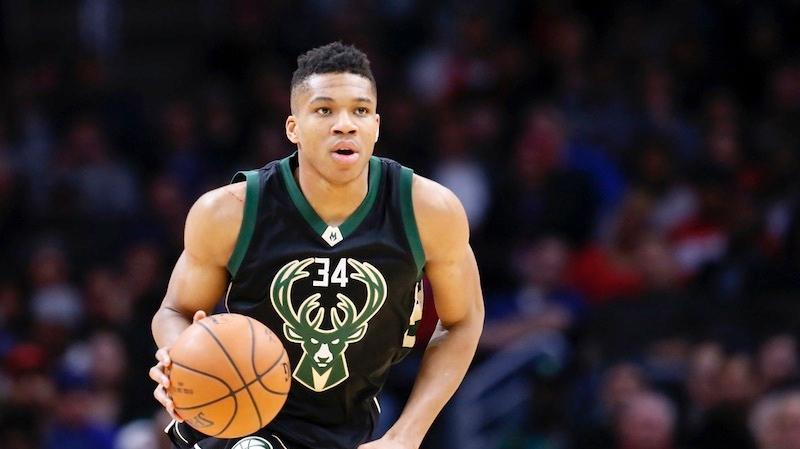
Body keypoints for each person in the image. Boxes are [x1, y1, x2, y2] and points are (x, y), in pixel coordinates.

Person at [148, 42, 484, 449]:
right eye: (324, 110)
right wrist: (181, 360)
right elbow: (175, 310)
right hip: (239, 424)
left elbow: (463, 321)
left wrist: (406, 434)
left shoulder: (429, 210)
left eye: (360, 111)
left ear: (377, 126)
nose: (345, 125)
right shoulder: (228, 211)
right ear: (293, 128)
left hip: (349, 428)